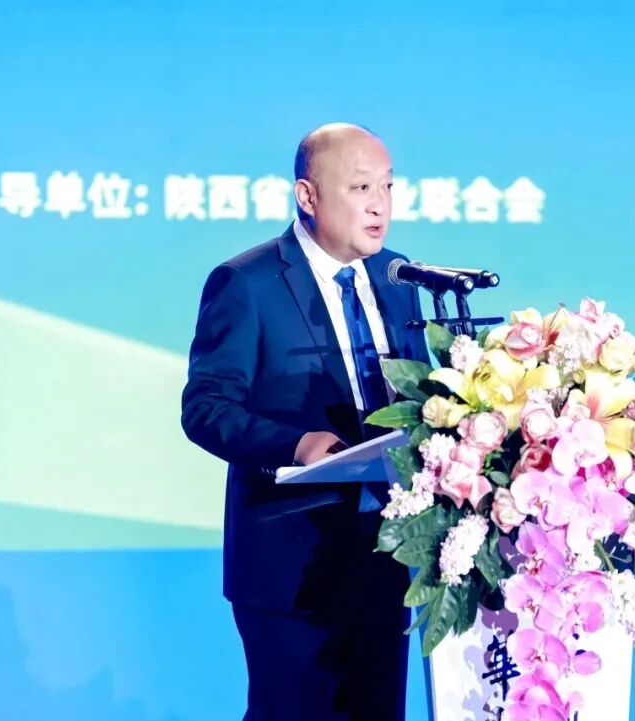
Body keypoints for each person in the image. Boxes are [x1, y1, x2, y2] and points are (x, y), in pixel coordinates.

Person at [181, 123, 429, 721]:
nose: (380, 205)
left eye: (388, 187)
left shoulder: (398, 278)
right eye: (361, 187)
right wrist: (295, 444)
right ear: (308, 195)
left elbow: (422, 398)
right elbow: (206, 408)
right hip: (290, 568)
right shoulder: (247, 283)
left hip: (387, 555)